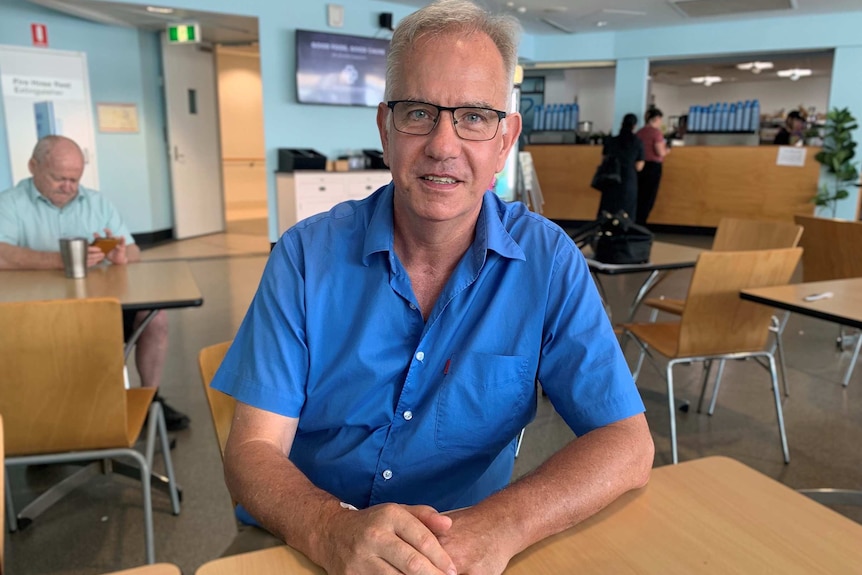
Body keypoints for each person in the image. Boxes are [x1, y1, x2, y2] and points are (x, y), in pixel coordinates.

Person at [211, 1, 654, 574]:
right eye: (419, 112)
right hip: (304, 541)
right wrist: (329, 528)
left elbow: (627, 443)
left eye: (473, 116)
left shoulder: (547, 262)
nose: (444, 145)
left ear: (504, 138)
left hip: (466, 551)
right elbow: (251, 452)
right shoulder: (305, 256)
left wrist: (505, 522)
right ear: (385, 129)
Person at [0, 135, 190, 431]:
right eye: (59, 178)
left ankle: (150, 399)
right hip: (38, 315)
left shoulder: (96, 202)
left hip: (101, 310)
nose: (69, 187)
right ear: (32, 166)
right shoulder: (9, 204)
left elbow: (134, 249)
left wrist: (119, 255)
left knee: (155, 319)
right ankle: (46, 414)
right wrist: (60, 260)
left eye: (75, 179)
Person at [597, 113, 645, 219]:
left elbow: (603, 159)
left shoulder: (611, 140)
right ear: (634, 126)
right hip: (629, 179)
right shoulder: (638, 142)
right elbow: (639, 166)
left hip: (611, 178)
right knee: (627, 211)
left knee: (608, 209)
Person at [636, 107, 668, 227]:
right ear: (657, 119)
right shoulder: (656, 133)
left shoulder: (640, 132)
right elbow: (661, 152)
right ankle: (642, 223)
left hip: (640, 166)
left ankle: (636, 221)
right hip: (653, 168)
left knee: (640, 195)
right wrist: (667, 150)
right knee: (649, 196)